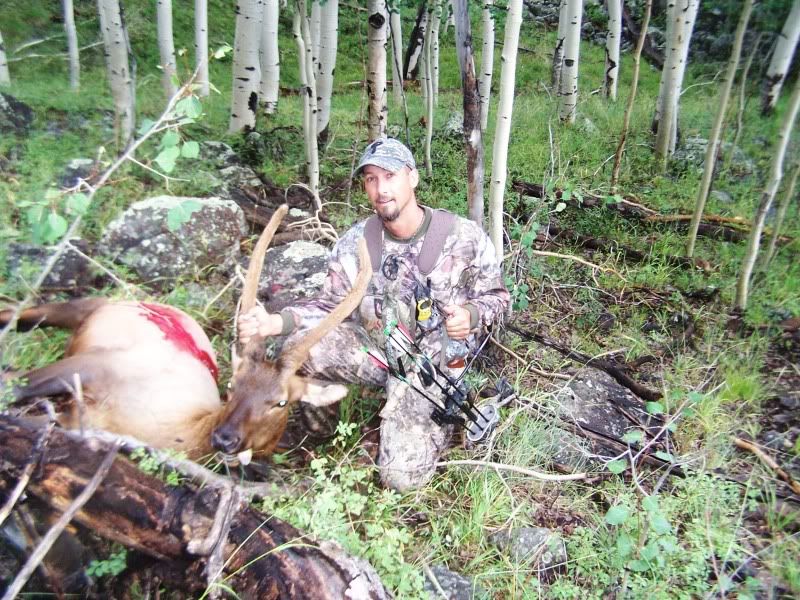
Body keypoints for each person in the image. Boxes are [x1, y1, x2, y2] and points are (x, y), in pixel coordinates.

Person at [239, 137, 510, 491]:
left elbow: (498, 297)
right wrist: (275, 322)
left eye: (390, 176)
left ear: (412, 178)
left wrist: (471, 316)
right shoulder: (355, 243)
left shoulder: (464, 237)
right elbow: (328, 307)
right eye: (370, 179)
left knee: (399, 478)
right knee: (300, 347)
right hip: (376, 352)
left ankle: (434, 426)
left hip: (432, 364)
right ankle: (319, 431)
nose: (381, 189)